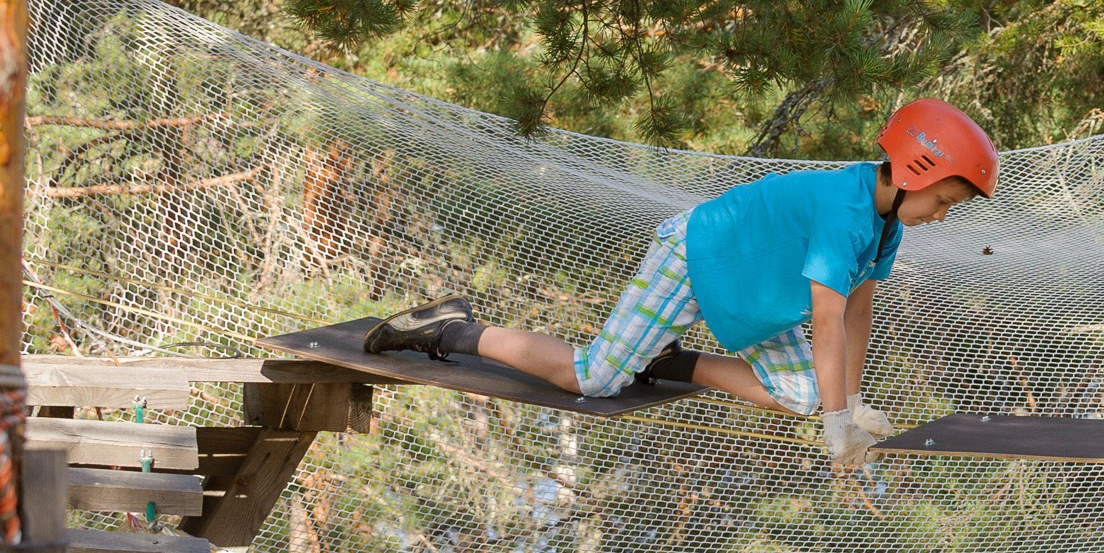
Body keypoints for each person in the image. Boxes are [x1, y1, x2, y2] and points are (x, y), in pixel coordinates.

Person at [362, 99, 997, 467]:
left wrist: (846, 406)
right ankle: (450, 328)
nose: (943, 215)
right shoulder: (845, 212)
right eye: (944, 200)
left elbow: (858, 314)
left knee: (805, 393)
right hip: (696, 259)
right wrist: (838, 425)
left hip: (746, 291)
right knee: (594, 378)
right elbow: (827, 322)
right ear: (913, 172)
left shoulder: (885, 226)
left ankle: (667, 361)